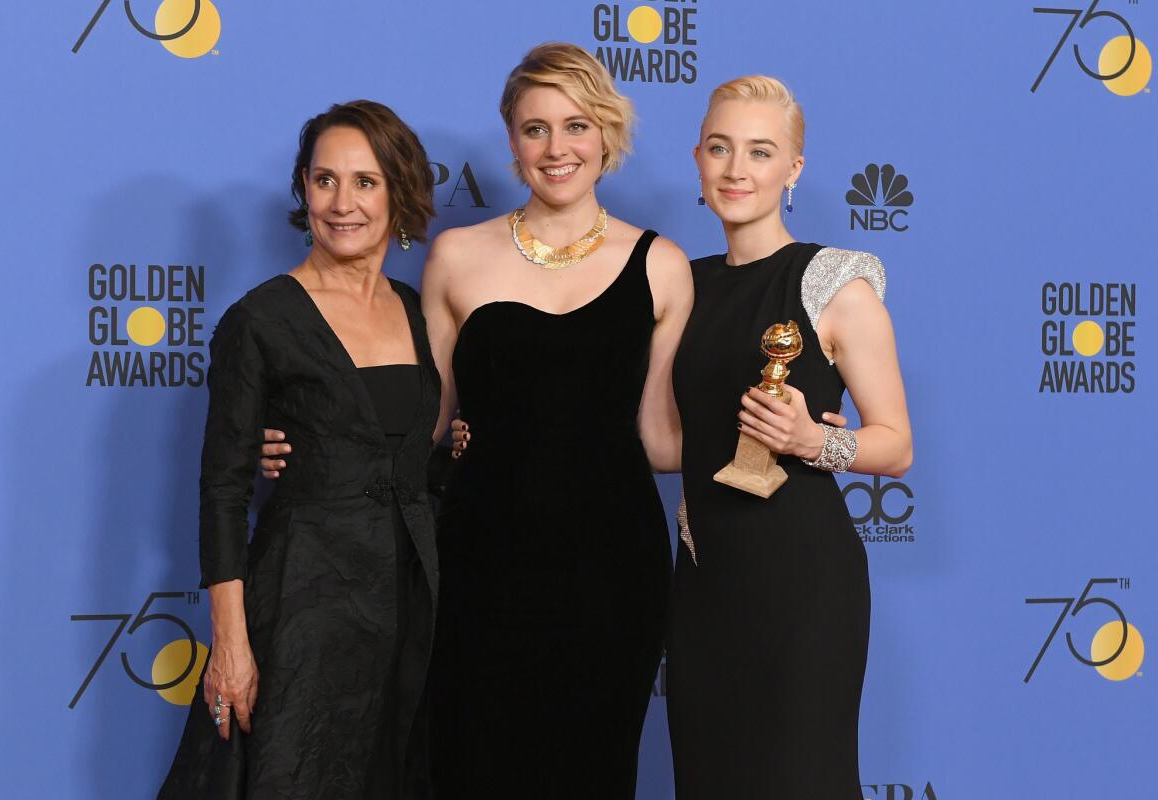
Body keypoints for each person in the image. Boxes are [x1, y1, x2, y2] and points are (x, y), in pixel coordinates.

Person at [262, 43, 692, 798]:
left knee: (592, 772)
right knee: (472, 766)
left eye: (576, 126)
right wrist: (304, 446)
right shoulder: (457, 257)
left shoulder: (662, 265)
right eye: (534, 129)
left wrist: (775, 439)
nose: (556, 148)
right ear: (511, 141)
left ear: (607, 136)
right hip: (478, 564)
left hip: (612, 572)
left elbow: (659, 438)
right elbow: (421, 423)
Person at [159, 100, 441, 800]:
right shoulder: (259, 320)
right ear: (303, 190)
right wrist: (229, 644)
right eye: (323, 181)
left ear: (399, 191)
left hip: (410, 604)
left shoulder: (415, 309)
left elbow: (410, 449)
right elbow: (222, 490)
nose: (342, 203)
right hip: (303, 609)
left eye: (365, 182)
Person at [667, 76, 913, 798]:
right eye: (720, 148)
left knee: (799, 778)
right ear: (698, 159)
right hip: (704, 578)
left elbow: (896, 445)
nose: (736, 169)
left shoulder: (836, 284)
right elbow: (660, 438)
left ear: (793, 169)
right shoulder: (683, 284)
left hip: (804, 582)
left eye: (760, 151)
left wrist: (815, 441)